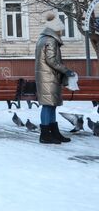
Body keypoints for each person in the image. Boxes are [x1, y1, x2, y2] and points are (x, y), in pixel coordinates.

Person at [35, 12, 75, 144]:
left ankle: (53, 132)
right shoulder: (51, 40)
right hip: (49, 77)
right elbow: (51, 60)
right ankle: (45, 135)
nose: (62, 33)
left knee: (51, 105)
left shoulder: (43, 38)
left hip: (47, 77)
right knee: (48, 106)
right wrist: (66, 71)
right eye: (61, 31)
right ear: (56, 30)